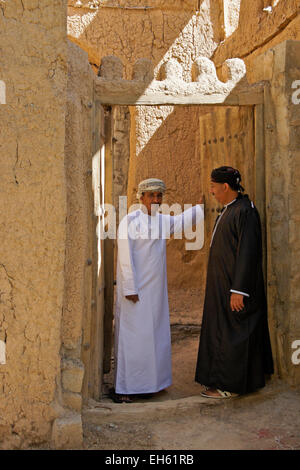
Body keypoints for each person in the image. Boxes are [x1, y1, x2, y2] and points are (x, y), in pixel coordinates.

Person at [111, 178, 204, 403]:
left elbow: (181, 221)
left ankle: (152, 384)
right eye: (151, 195)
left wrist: (201, 208)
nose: (156, 200)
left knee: (154, 337)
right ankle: (127, 388)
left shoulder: (162, 221)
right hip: (134, 293)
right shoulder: (130, 221)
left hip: (156, 294)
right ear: (141, 197)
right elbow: (125, 257)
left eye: (159, 196)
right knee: (133, 339)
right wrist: (130, 287)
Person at [195, 166, 274, 399]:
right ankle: (218, 380)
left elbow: (248, 253)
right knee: (221, 332)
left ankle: (228, 386)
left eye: (213, 186)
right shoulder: (229, 210)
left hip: (235, 288)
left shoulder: (245, 212)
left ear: (225, 186)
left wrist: (238, 290)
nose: (210, 191)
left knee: (233, 334)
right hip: (222, 286)